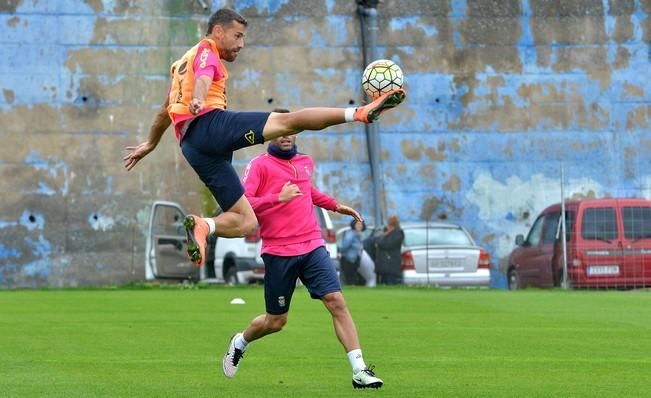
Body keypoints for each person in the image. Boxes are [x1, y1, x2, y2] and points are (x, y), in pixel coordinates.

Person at [122, 8, 406, 267]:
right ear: (218, 31)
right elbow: (205, 76)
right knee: (288, 121)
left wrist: (151, 143)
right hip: (209, 124)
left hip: (193, 146)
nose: (241, 44)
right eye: (237, 36)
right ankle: (360, 113)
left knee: (246, 221)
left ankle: (203, 226)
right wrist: (199, 99)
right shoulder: (206, 51)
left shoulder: (180, 65)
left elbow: (165, 110)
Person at [222, 123, 383, 389]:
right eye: (280, 131)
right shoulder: (259, 165)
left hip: (312, 245)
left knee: (336, 302)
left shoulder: (305, 162)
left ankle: (359, 370)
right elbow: (243, 204)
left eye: (291, 130)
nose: (286, 135)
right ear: (269, 135)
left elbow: (308, 191)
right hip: (278, 252)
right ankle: (240, 342)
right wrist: (277, 197)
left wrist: (335, 205)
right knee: (276, 321)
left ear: (297, 134)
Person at [375, 215, 405, 285]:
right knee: (384, 281)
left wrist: (380, 241)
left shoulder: (398, 233)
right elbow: (378, 240)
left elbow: (386, 244)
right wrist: (385, 234)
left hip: (391, 264)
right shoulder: (388, 233)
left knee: (390, 282)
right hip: (385, 265)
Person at [339, 219, 366, 285]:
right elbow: (344, 246)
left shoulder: (359, 235)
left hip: (355, 260)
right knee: (348, 279)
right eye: (358, 224)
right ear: (354, 225)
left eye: (361, 224)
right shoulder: (351, 234)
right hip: (348, 260)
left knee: (352, 278)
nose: (360, 226)